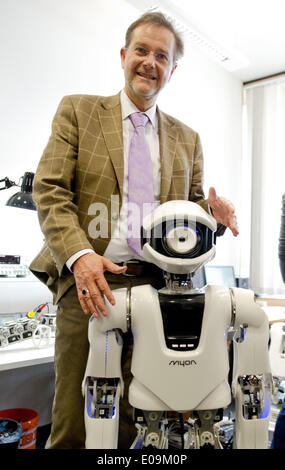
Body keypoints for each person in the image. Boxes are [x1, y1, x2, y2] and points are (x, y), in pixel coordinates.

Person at [30, 11, 239, 449]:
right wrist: (80, 255)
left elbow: (187, 215)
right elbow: (49, 190)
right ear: (124, 55)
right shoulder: (79, 110)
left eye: (161, 56)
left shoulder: (188, 138)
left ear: (172, 70)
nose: (149, 62)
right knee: (76, 415)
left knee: (138, 417)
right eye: (141, 51)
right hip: (91, 281)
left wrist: (211, 218)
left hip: (159, 290)